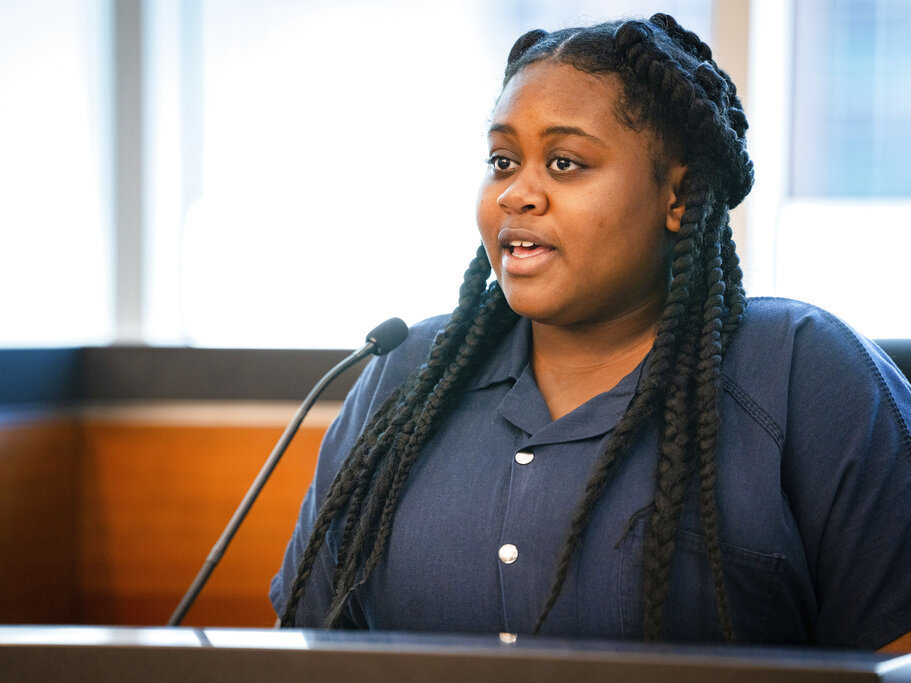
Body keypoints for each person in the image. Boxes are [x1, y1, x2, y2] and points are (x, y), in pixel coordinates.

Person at [270, 14, 911, 649]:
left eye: (565, 162)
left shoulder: (807, 373)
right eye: (502, 160)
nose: (517, 194)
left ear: (679, 197)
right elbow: (304, 646)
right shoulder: (406, 373)